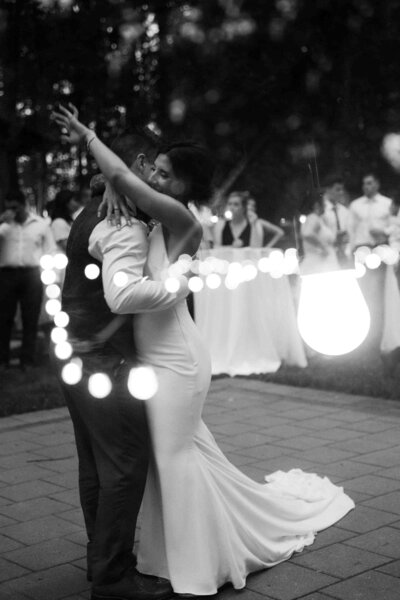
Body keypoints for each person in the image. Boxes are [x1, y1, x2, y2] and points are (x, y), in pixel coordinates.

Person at [53, 104, 354, 598]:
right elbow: (122, 176)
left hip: (177, 356)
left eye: (166, 174)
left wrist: (175, 281)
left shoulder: (178, 218)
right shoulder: (143, 213)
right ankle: (159, 555)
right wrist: (104, 175)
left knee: (170, 457)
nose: (153, 176)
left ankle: (193, 565)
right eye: (154, 169)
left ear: (184, 188)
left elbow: (126, 177)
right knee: (171, 455)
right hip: (149, 356)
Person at [54, 130, 188, 600]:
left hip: (73, 353)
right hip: (105, 363)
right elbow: (123, 294)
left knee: (93, 464)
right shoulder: (122, 223)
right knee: (125, 464)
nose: (156, 182)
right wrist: (180, 284)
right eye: (154, 170)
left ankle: (101, 561)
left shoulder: (92, 208)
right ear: (138, 162)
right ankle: (112, 578)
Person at [0, 190, 56, 370]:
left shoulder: (40, 225)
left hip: (32, 275)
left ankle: (27, 360)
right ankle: (3, 360)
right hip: (6, 275)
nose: (12, 211)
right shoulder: (3, 226)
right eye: (8, 208)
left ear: (23, 205)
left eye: (15, 208)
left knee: (30, 318)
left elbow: (51, 250)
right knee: (4, 318)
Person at [348, 173, 392, 352]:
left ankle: (381, 330)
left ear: (377, 184)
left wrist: (382, 231)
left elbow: (395, 225)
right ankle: (367, 333)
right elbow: (351, 230)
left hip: (381, 249)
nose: (367, 187)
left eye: (370, 183)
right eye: (364, 184)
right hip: (362, 250)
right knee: (364, 291)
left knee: (381, 291)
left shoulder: (387, 203)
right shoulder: (356, 205)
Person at [300, 193, 340, 275]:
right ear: (317, 205)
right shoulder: (313, 218)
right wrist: (322, 247)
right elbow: (307, 233)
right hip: (320, 262)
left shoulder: (316, 219)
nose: (325, 206)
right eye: (324, 204)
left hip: (323, 261)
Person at [320, 176, 351, 267]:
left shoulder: (344, 211)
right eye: (337, 190)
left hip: (345, 252)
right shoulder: (322, 211)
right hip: (327, 253)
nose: (341, 193)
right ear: (328, 190)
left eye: (342, 190)